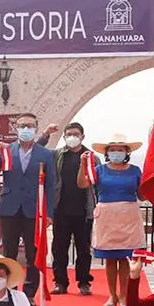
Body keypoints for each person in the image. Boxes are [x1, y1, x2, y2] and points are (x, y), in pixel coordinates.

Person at [0, 112, 56, 300]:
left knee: (32, 254)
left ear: (36, 128)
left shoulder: (45, 154)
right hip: (9, 207)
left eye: (30, 126)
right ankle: (9, 290)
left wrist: (49, 213)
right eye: (22, 126)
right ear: (16, 129)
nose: (26, 129)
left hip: (33, 210)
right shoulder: (7, 150)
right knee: (9, 253)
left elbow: (51, 185)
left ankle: (29, 294)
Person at [81, 135, 143, 306]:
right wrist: (82, 165)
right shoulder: (99, 170)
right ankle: (112, 295)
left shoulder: (135, 170)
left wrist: (151, 183)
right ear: (107, 153)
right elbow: (83, 184)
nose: (116, 152)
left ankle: (123, 295)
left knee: (124, 258)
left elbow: (142, 195)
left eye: (120, 149)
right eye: (113, 150)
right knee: (110, 258)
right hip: (107, 216)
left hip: (128, 215)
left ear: (127, 152)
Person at [48, 122, 99, 295]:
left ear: (82, 136)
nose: (72, 137)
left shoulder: (92, 157)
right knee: (59, 248)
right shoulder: (57, 155)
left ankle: (84, 282)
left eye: (75, 134)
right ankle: (60, 282)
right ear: (64, 137)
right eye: (68, 134)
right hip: (61, 209)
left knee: (84, 249)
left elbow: (97, 185)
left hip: (84, 211)